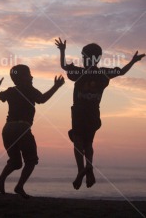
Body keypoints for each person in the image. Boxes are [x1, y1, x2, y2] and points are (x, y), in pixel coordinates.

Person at [55, 37, 145, 190]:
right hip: (94, 114)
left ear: (88, 58)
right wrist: (133, 61)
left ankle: (81, 170)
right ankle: (89, 171)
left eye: (84, 56)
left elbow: (64, 66)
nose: (83, 59)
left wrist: (62, 51)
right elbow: (121, 71)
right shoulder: (103, 73)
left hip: (78, 113)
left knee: (78, 142)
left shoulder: (80, 72)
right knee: (88, 144)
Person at [0, 64, 64, 198]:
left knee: (15, 162)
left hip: (7, 129)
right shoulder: (29, 90)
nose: (32, 77)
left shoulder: (10, 90)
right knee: (31, 160)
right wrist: (56, 86)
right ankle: (19, 186)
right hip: (22, 128)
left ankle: (1, 178)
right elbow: (42, 99)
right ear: (22, 78)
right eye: (29, 75)